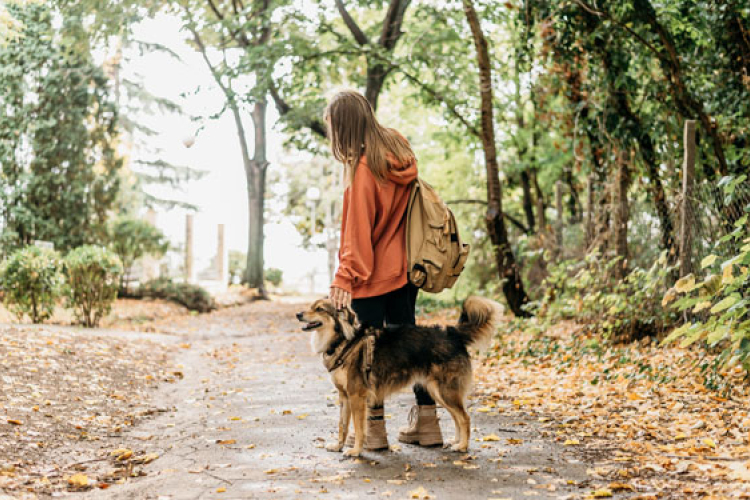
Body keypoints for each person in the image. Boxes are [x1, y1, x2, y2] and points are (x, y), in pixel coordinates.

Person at [325, 89, 442, 450]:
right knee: (411, 347)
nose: (329, 132)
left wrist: (345, 276)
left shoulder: (363, 170)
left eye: (331, 125)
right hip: (407, 270)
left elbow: (359, 233)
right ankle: (429, 425)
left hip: (372, 276)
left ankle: (373, 432)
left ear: (343, 126)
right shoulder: (398, 147)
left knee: (367, 355)